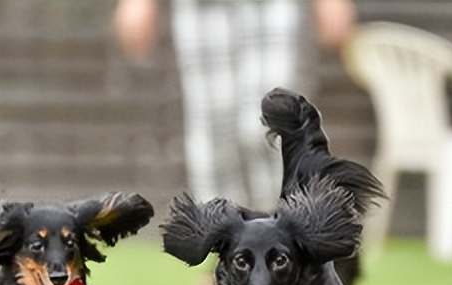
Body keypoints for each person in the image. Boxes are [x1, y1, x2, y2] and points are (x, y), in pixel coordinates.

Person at [114, 0, 356, 211]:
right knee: (213, 136)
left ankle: (286, 232)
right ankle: (224, 242)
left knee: (272, 125)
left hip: (274, 6)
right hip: (202, 8)